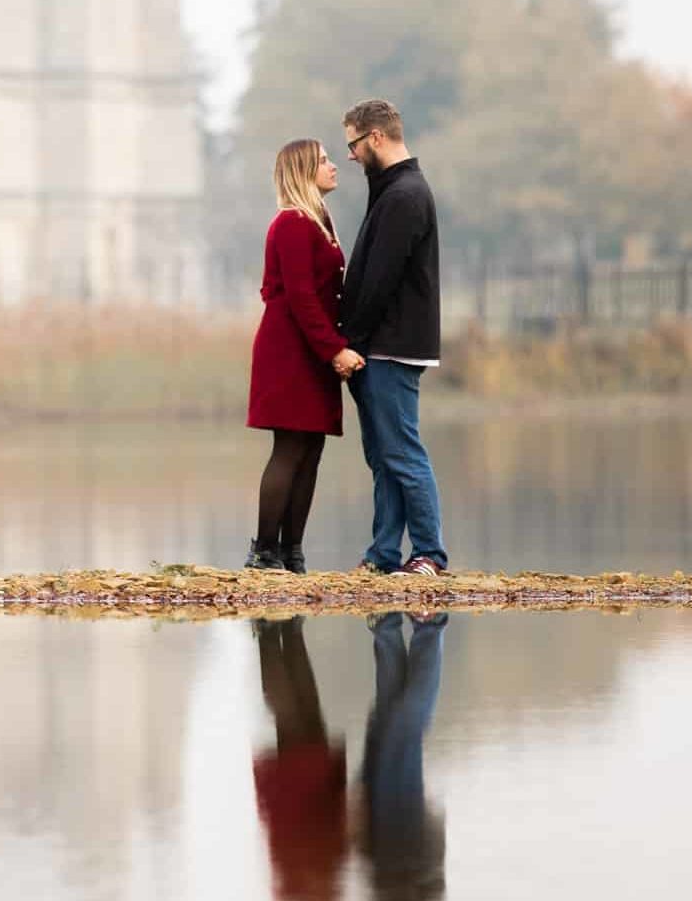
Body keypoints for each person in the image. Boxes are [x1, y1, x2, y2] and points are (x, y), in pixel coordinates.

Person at [338, 99, 448, 576]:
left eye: (354, 144)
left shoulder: (404, 195)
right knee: (384, 456)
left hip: (391, 345)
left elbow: (380, 280)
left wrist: (351, 342)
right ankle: (384, 553)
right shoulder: (391, 191)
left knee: (402, 452)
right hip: (378, 344)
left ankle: (429, 554)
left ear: (376, 138)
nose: (350, 156)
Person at [246, 138, 363, 572]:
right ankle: (264, 553)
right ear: (302, 172)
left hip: (310, 350)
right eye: (323, 161)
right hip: (290, 352)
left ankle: (292, 553)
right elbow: (300, 298)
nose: (334, 166)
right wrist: (334, 350)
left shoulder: (317, 221)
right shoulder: (292, 223)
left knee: (310, 449)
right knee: (289, 448)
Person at [251, 616, 349, 900]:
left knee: (297, 716)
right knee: (299, 715)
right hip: (305, 804)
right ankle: (279, 631)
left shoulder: (299, 882)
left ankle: (275, 631)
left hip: (303, 804)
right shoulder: (313, 881)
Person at [358, 611, 449, 899]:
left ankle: (386, 624)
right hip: (406, 843)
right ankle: (429, 626)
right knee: (403, 731)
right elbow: (433, 884)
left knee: (387, 723)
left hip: (382, 837)